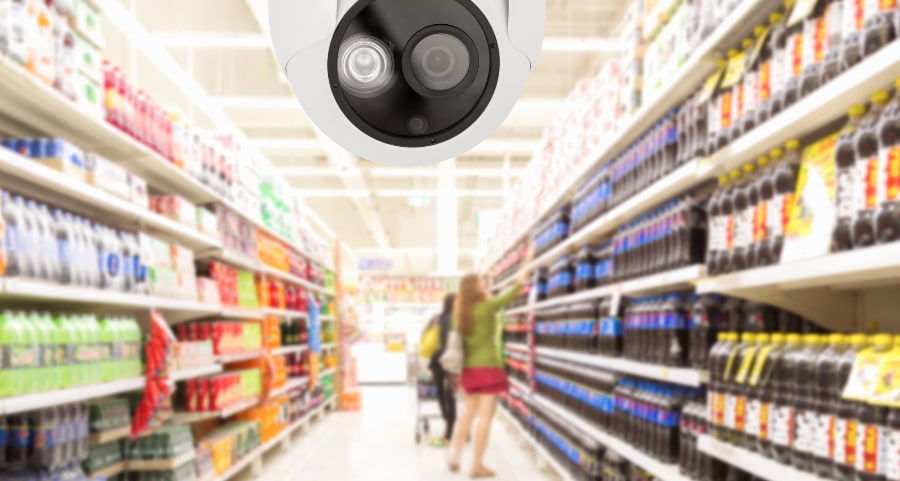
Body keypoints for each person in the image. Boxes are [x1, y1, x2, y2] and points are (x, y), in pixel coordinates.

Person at [449, 248, 533, 478]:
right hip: (488, 370)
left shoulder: (461, 314)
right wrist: (528, 260)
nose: (484, 286)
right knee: (484, 419)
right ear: (475, 288)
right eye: (480, 283)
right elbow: (515, 290)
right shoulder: (486, 308)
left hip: (469, 371)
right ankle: (476, 465)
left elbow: (457, 344)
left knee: (467, 414)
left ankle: (455, 456)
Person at [428, 293, 457, 446]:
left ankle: (447, 421)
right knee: (450, 395)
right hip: (450, 360)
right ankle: (449, 431)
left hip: (436, 359)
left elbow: (426, 336)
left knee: (440, 392)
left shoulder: (437, 318)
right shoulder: (456, 320)